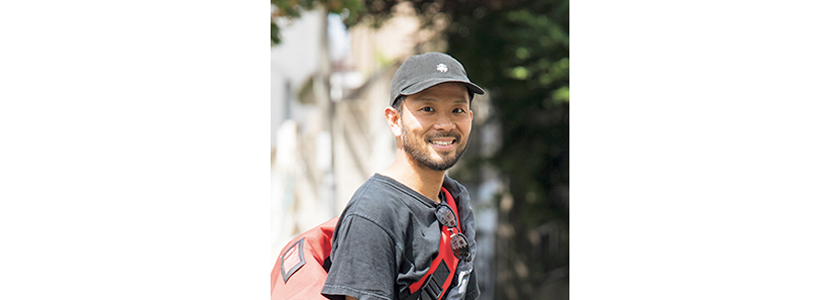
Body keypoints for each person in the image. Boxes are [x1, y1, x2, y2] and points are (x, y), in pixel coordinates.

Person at [320, 52, 485, 300]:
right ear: (394, 120)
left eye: (457, 110)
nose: (445, 124)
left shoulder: (453, 202)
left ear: (470, 118)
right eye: (427, 109)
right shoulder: (374, 214)